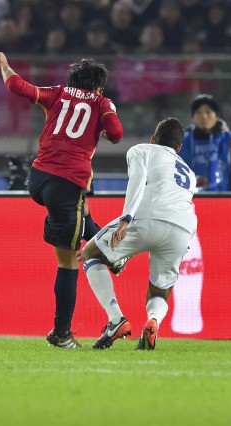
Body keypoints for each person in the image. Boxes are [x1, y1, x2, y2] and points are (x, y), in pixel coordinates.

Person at [0, 51, 124, 349]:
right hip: (68, 182)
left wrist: (5, 65)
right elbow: (116, 133)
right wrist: (102, 124)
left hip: (38, 179)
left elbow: (17, 86)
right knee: (68, 263)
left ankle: (116, 255)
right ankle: (61, 334)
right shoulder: (102, 103)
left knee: (83, 215)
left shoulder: (59, 92)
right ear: (99, 87)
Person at [81, 117, 197, 350]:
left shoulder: (143, 150)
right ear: (179, 147)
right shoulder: (189, 172)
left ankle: (116, 320)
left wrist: (126, 218)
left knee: (90, 253)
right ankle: (153, 321)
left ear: (153, 139)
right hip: (184, 229)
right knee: (160, 289)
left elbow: (137, 180)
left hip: (148, 217)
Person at [179, 94, 231, 191]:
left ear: (217, 116)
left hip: (223, 200)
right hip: (190, 200)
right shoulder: (182, 141)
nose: (204, 116)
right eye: (198, 113)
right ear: (192, 117)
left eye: (208, 112)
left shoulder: (230, 139)